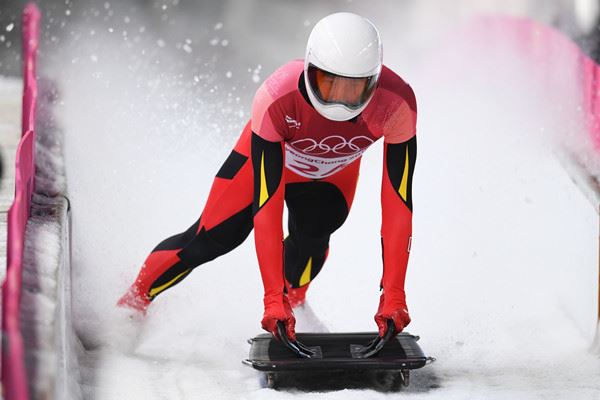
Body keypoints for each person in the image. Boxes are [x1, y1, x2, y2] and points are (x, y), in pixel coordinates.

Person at [118, 12, 417, 341]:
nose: (339, 100)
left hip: (332, 173)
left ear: (374, 81)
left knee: (316, 234)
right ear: (309, 69)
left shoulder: (398, 103)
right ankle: (133, 302)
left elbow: (398, 203)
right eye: (328, 83)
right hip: (268, 163)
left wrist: (394, 296)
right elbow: (267, 204)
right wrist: (271, 299)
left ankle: (297, 304)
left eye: (354, 88)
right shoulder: (276, 97)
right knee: (213, 237)